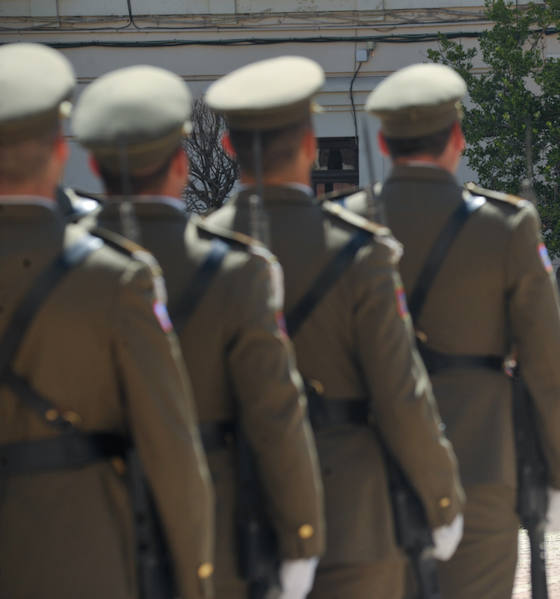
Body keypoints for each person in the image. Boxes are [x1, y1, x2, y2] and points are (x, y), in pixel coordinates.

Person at [203, 56, 465, 599]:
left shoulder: (196, 255)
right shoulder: (359, 251)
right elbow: (400, 394)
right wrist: (441, 501)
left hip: (233, 510)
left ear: (228, 149)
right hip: (352, 513)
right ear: (309, 144)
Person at [71, 64, 326, 598]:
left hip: (79, 529)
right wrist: (301, 536)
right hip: (222, 523)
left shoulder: (62, 266)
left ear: (92, 164)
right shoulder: (237, 269)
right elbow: (276, 416)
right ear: (181, 165)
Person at [360, 63, 560, 599]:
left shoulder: (347, 223)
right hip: (480, 461)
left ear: (385, 144)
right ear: (458, 139)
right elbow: (549, 367)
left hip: (367, 466)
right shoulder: (504, 226)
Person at [0, 43, 214, 599]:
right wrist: (194, 578)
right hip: (82, 554)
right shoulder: (116, 278)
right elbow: (170, 451)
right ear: (58, 152)